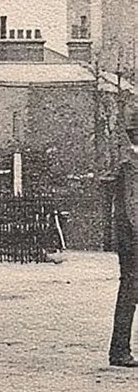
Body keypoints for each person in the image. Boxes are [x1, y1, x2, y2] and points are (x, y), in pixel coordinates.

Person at [109, 105, 138, 367]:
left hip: (130, 237)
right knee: (130, 292)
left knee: (130, 293)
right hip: (133, 240)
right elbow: (132, 209)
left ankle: (120, 350)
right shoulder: (131, 165)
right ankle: (119, 351)